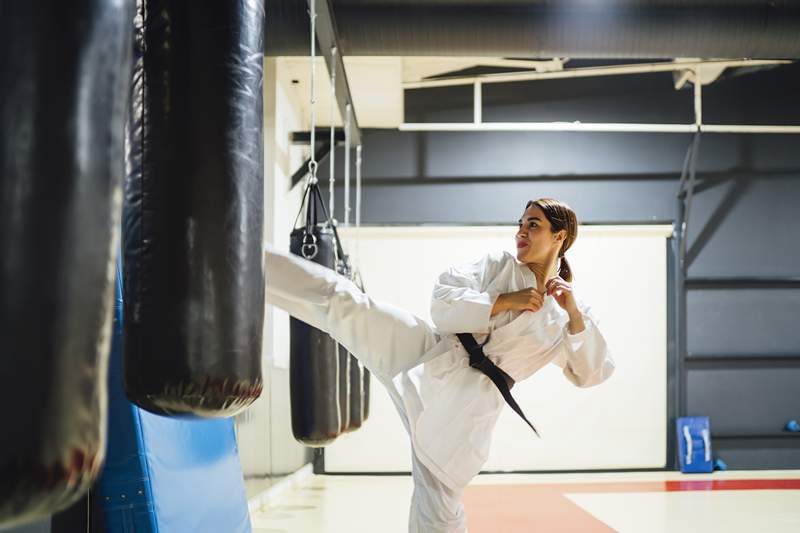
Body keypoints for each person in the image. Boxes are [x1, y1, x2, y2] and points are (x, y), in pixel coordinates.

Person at [264, 198, 615, 533]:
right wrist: (504, 301)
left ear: (560, 236)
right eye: (520, 223)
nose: (520, 231)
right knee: (348, 304)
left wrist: (573, 314)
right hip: (431, 352)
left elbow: (591, 373)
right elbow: (443, 301)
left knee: (439, 506)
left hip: (469, 403)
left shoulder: (567, 313)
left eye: (533, 225)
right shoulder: (499, 264)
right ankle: (251, 262)